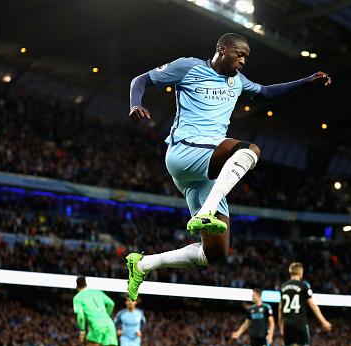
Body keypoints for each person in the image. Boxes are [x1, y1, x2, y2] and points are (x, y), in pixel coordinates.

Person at [125, 32, 332, 301]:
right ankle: (206, 211)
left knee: (215, 253)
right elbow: (140, 80)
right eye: (240, 54)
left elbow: (267, 93)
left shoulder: (237, 81)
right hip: (185, 150)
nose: (244, 60)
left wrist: (307, 81)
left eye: (247, 56)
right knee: (250, 150)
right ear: (222, 49)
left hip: (205, 170)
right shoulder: (188, 67)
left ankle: (142, 264)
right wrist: (135, 104)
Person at [272, 262, 332, 346]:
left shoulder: (283, 287)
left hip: (287, 322)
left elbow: (280, 307)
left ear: (290, 272)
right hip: (299, 321)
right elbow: (312, 305)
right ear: (300, 272)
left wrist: (281, 324)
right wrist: (323, 320)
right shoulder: (304, 286)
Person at [72, 275, 130, 346]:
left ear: (77, 286)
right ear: (86, 284)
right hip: (109, 323)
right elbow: (111, 303)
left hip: (96, 325)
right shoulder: (97, 292)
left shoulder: (77, 297)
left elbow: (80, 316)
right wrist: (106, 316)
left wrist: (82, 331)